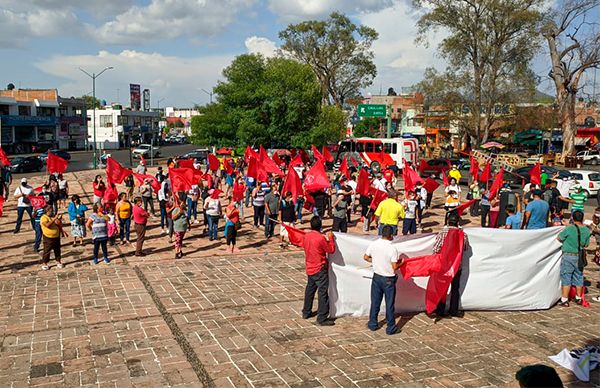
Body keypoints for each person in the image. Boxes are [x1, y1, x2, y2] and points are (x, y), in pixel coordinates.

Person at [364, 225, 403, 335]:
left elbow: (366, 257)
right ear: (391, 235)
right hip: (388, 279)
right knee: (389, 304)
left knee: (375, 301)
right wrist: (402, 263)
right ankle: (390, 327)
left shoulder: (374, 244)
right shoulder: (392, 248)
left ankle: (373, 323)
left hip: (377, 276)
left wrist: (375, 260)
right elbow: (395, 267)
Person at [301, 216, 336, 326]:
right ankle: (322, 317)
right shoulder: (320, 238)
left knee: (310, 290)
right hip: (319, 268)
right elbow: (331, 250)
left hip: (310, 266)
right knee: (322, 292)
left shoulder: (306, 236)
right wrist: (330, 239)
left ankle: (306, 312)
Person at [432, 212, 464, 317]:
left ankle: (440, 310)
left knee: (442, 288)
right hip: (456, 266)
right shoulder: (462, 234)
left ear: (448, 221)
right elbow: (465, 248)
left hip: (444, 266)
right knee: (455, 288)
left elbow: (436, 249)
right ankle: (453, 310)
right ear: (458, 222)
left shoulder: (443, 233)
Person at [556, 210, 590, 307]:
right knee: (579, 276)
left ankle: (564, 299)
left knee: (566, 276)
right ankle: (578, 298)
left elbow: (559, 238)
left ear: (572, 218)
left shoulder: (569, 229)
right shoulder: (587, 230)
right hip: (579, 257)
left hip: (568, 255)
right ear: (582, 218)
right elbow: (586, 244)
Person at [40, 205, 67, 270]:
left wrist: (59, 221)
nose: (52, 212)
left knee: (57, 250)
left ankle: (58, 261)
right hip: (48, 237)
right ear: (47, 211)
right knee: (47, 250)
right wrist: (54, 219)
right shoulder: (44, 217)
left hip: (56, 236)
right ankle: (45, 263)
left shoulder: (52, 217)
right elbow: (47, 225)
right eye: (50, 211)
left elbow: (59, 225)